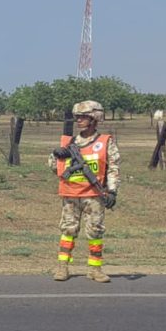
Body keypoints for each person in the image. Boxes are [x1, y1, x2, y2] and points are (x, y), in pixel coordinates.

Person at [49, 100, 121, 283]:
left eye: (84, 117)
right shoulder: (69, 142)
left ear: (95, 118)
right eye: (78, 117)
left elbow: (113, 167)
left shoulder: (105, 142)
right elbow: (53, 167)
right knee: (68, 230)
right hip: (70, 194)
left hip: (94, 196)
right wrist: (57, 155)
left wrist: (112, 191)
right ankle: (62, 267)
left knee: (95, 232)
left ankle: (95, 269)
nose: (79, 120)